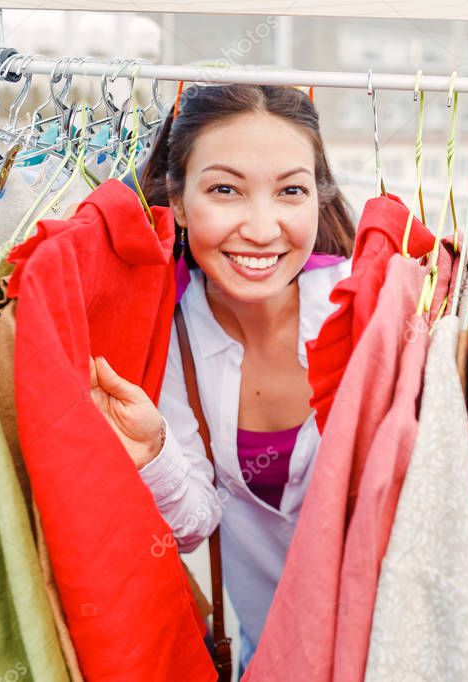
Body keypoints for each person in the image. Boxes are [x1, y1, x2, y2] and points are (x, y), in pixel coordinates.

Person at [85, 83, 355, 667]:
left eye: (290, 191)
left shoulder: (377, 310)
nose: (261, 228)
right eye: (226, 190)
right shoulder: (168, 334)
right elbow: (195, 523)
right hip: (272, 650)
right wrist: (153, 451)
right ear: (178, 201)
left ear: (318, 196)